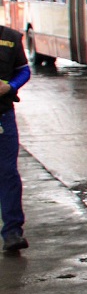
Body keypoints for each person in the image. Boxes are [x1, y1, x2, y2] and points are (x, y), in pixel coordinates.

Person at [0, 18, 31, 253]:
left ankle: (12, 233)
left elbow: (24, 71)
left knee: (8, 173)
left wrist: (10, 87)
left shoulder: (10, 38)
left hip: (2, 116)